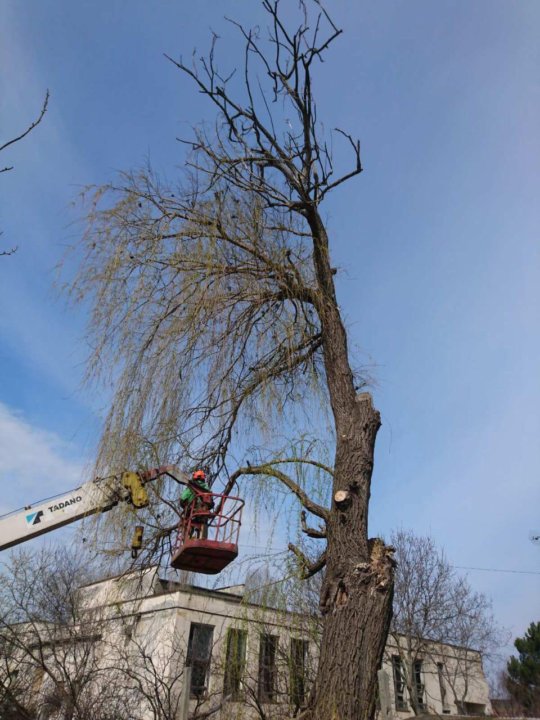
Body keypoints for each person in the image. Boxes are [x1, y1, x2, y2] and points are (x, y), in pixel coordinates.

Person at [180, 470, 214, 539]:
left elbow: (183, 499)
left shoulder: (191, 487)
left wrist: (185, 505)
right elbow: (211, 502)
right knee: (204, 522)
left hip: (193, 511)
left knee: (188, 521)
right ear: (203, 478)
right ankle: (203, 538)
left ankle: (186, 538)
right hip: (203, 513)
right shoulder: (207, 488)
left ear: (195, 477)